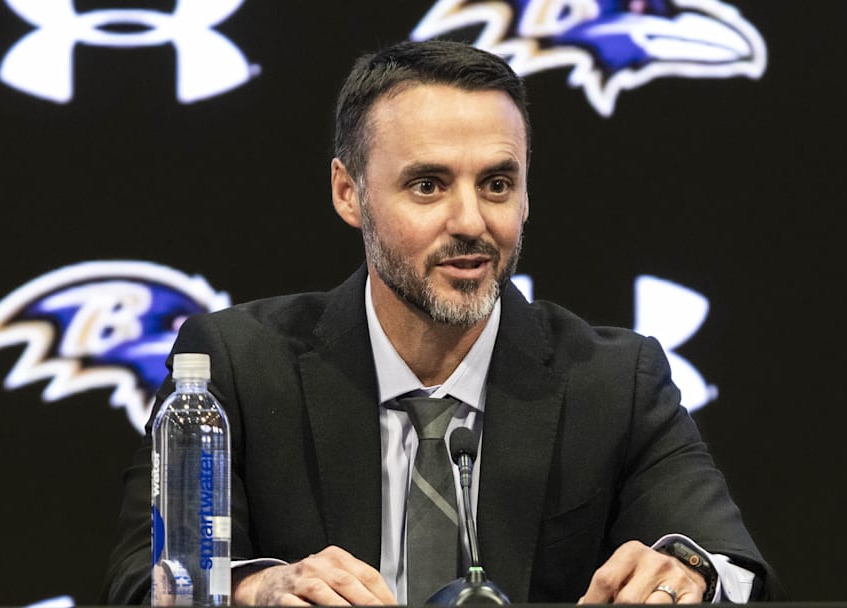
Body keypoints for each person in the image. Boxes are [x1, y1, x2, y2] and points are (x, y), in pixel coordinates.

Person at [102, 39, 783, 605]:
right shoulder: (238, 366)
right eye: (428, 185)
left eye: (496, 184)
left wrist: (690, 574)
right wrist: (259, 588)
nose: (470, 222)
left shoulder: (615, 380)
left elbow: (736, 570)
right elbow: (142, 583)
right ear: (349, 192)